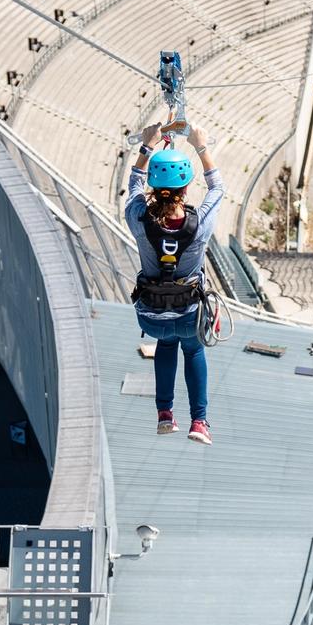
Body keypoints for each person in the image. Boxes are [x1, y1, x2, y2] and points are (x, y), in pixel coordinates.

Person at [125, 123, 222, 445]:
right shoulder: (201, 223)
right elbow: (217, 189)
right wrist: (201, 146)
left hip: (151, 315)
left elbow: (134, 185)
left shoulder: (139, 218)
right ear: (186, 185)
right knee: (192, 350)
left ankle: (165, 414)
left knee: (167, 344)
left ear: (154, 183)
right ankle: (200, 422)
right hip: (189, 312)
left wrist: (146, 148)